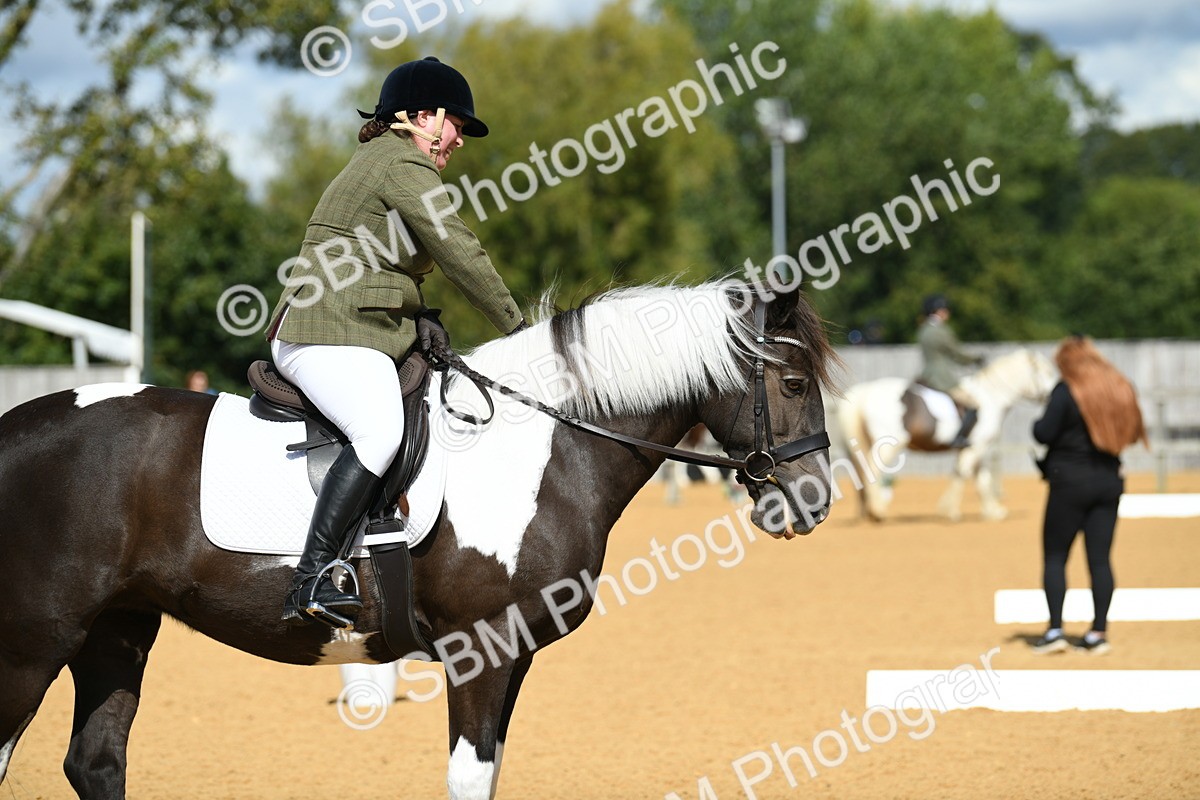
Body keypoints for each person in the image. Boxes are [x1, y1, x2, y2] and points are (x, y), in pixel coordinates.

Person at [265, 56, 527, 630]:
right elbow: (459, 250)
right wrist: (521, 329)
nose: (458, 139)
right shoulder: (403, 163)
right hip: (325, 332)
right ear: (416, 117)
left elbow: (376, 262)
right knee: (379, 429)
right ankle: (311, 575)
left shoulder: (383, 160)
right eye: (455, 123)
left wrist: (420, 313)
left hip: (353, 328)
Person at [1029, 336, 1146, 655]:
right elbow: (1134, 430)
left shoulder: (1067, 390)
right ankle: (1098, 633)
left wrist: (1038, 421)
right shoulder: (1119, 386)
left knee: (1055, 556)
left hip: (1069, 481)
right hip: (1109, 480)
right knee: (1100, 560)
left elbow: (1043, 433)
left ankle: (1055, 631)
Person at [916, 294, 986, 448]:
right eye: (944, 309)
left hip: (926, 375)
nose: (947, 312)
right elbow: (957, 353)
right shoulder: (940, 331)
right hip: (941, 378)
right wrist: (975, 360)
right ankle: (960, 438)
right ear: (938, 311)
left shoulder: (924, 330)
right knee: (973, 404)